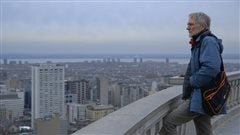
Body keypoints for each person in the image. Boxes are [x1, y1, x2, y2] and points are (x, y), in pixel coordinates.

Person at [159, 12, 226, 135]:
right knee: (204, 130)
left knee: (169, 122)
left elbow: (211, 67)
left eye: (190, 24)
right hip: (205, 95)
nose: (187, 27)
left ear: (202, 26)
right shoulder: (200, 42)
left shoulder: (208, 41)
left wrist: (193, 81)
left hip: (201, 96)